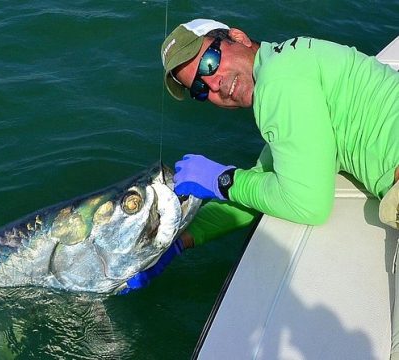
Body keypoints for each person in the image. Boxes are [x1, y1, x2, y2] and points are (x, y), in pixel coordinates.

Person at [123, 17, 399, 358]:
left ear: (237, 37)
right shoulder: (286, 66)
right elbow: (261, 186)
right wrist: (179, 242)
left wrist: (222, 179)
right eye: (200, 89)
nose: (215, 84)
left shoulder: (277, 84)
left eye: (210, 62)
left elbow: (307, 203)